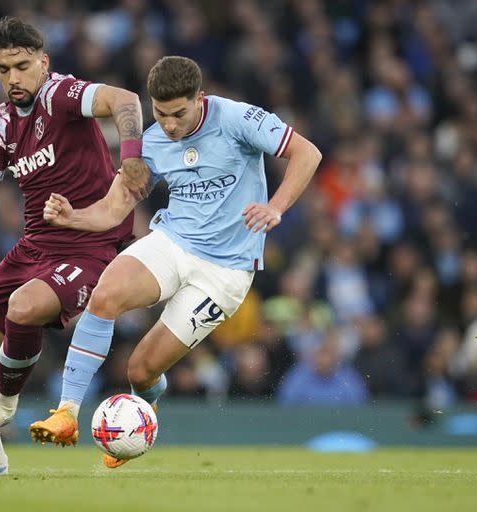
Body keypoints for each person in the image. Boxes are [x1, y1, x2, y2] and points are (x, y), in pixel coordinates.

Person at [28, 56, 322, 467]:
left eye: (178, 114)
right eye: (160, 113)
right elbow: (115, 209)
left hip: (224, 272)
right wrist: (73, 217)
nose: (168, 124)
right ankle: (67, 413)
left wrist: (276, 207)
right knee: (106, 294)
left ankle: (140, 417)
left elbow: (307, 153)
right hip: (173, 241)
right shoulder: (151, 142)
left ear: (200, 99)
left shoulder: (238, 118)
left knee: (142, 371)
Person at [0, 17, 148, 477]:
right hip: (35, 246)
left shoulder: (61, 95)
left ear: (43, 62)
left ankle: (2, 405)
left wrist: (132, 158)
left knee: (24, 307)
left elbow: (125, 100)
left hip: (91, 244)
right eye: (3, 69)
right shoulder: (1, 123)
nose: (13, 79)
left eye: (22, 66)